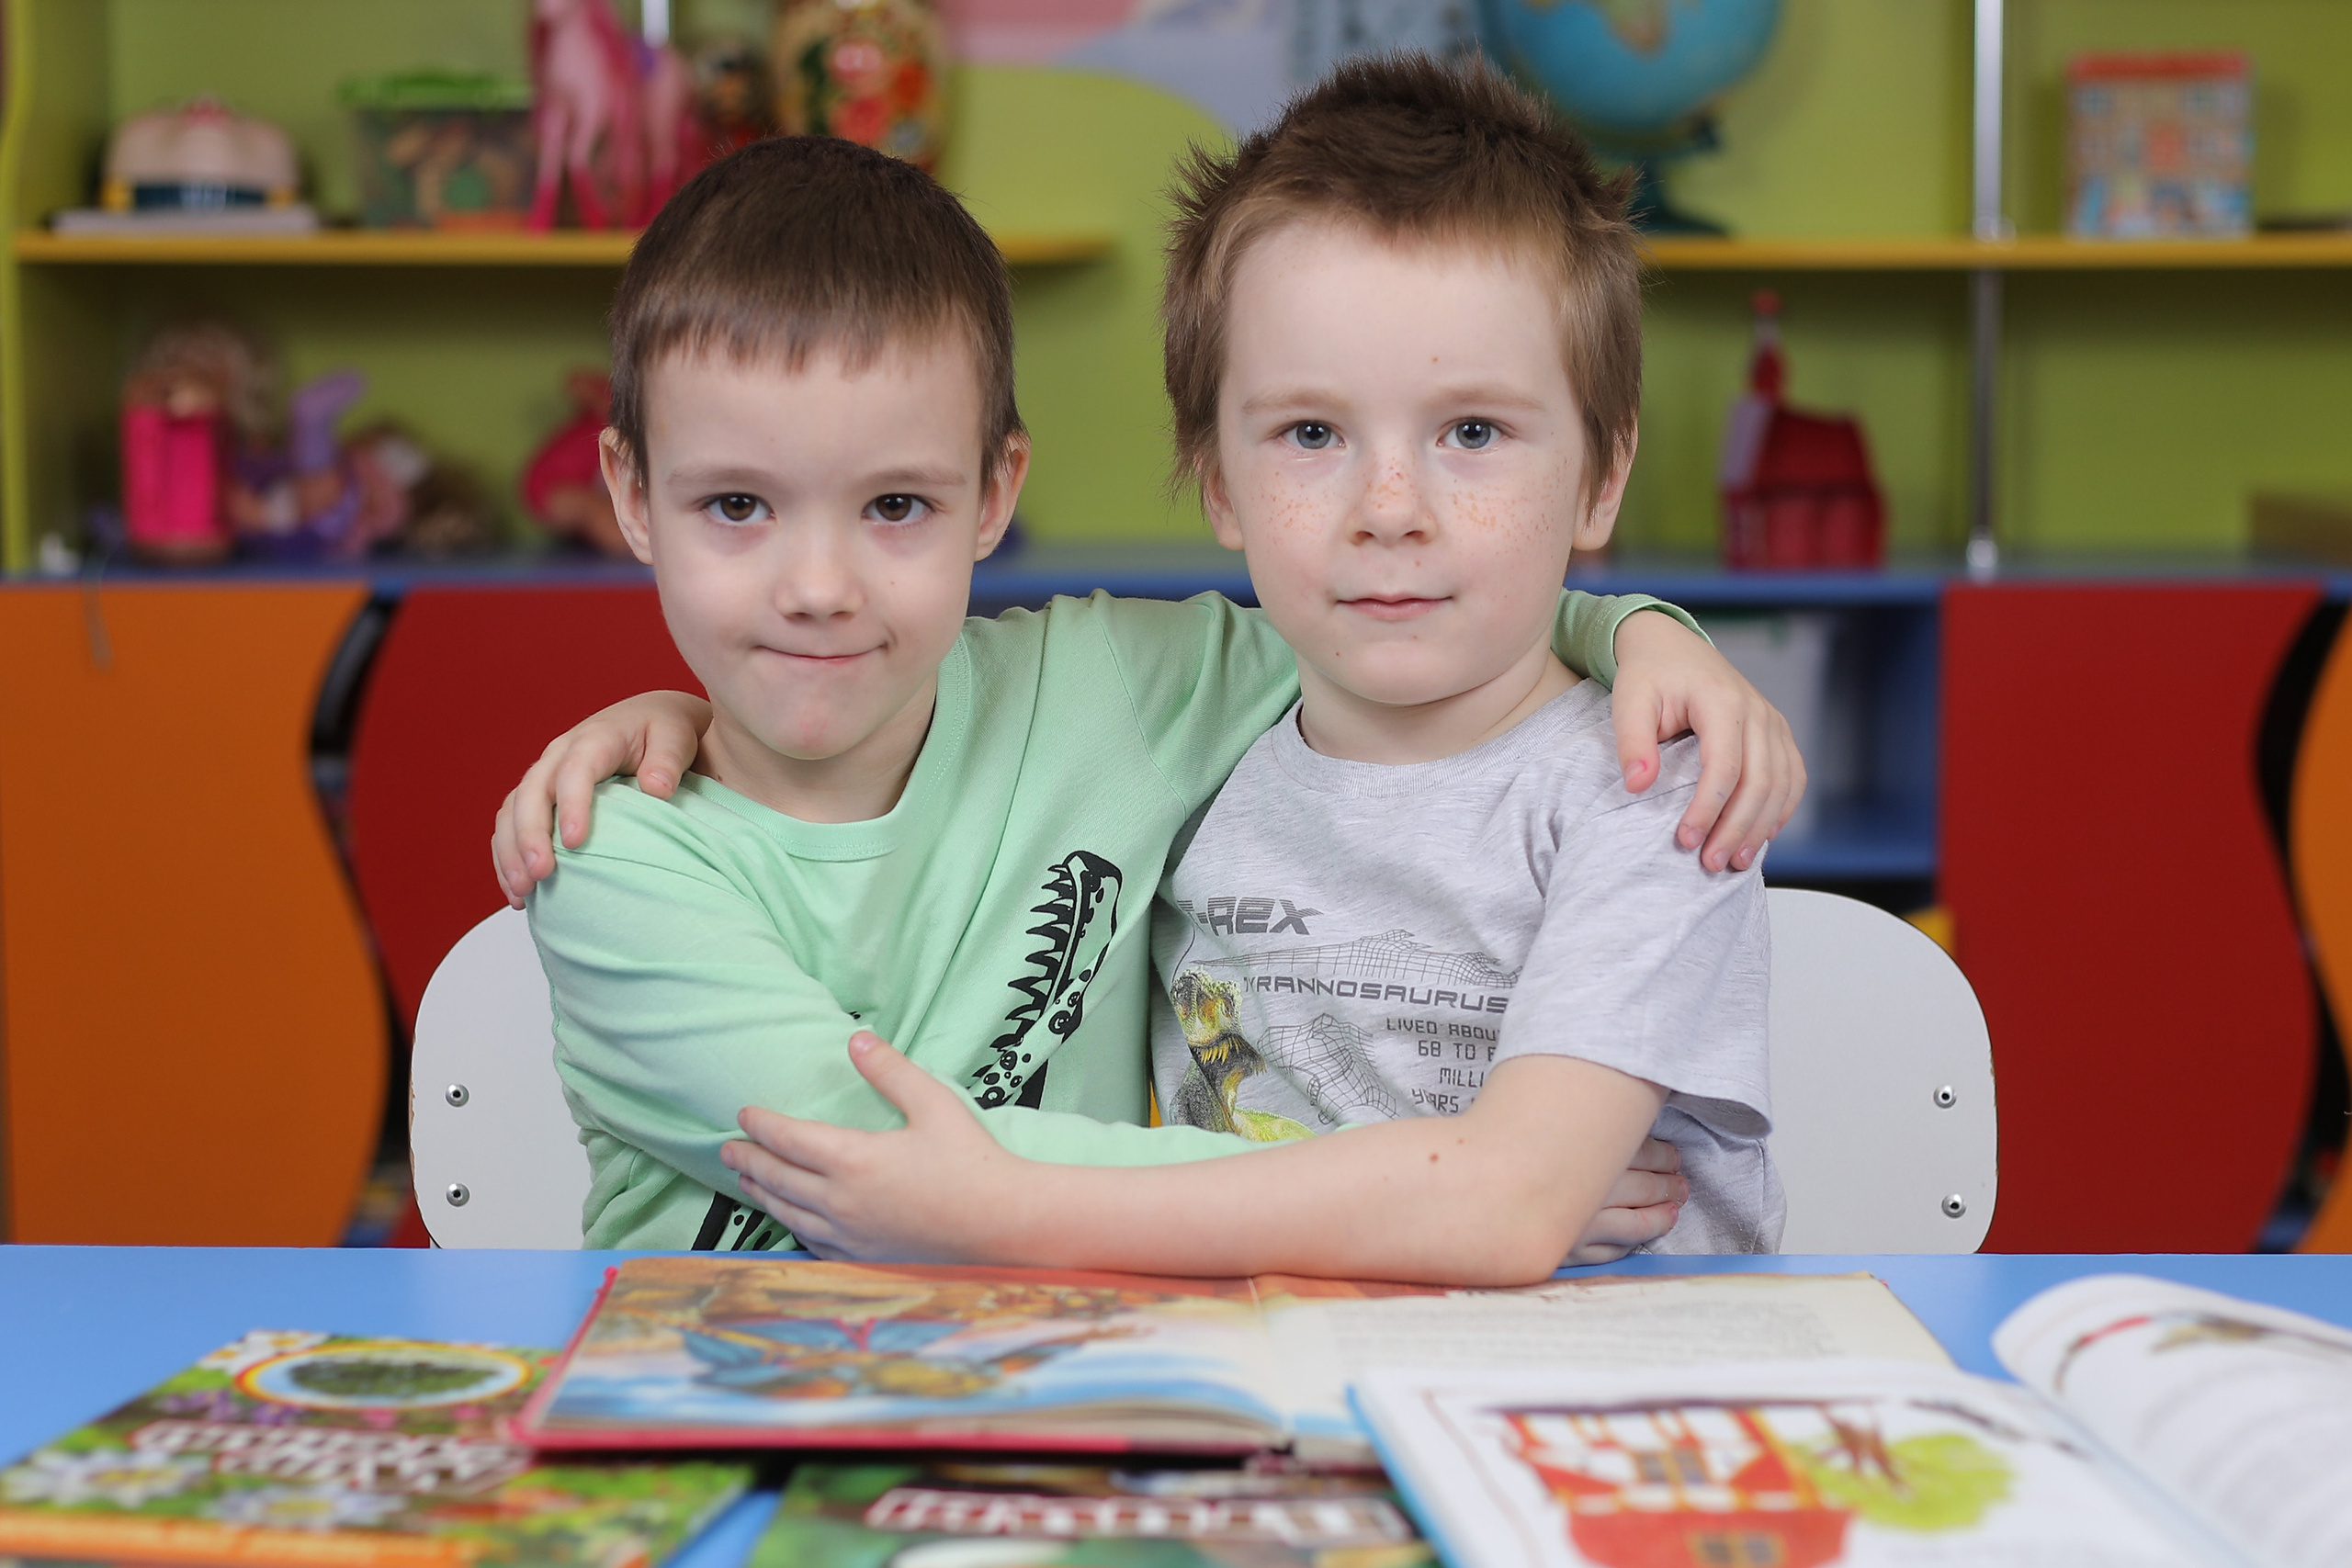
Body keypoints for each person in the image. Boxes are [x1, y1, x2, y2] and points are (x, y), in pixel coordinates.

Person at [500, 120, 1804, 1258]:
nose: (818, 588)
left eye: (896, 504)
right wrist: (1450, 1200)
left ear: (996, 493)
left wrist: (1643, 634)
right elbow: (901, 1177)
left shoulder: (1117, 688)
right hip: (733, 1394)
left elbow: (1433, 627)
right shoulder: (608, 855)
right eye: (737, 506)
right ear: (630, 495)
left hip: (1109, 1372)